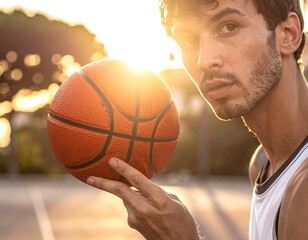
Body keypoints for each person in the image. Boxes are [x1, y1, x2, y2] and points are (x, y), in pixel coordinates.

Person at [86, 0, 308, 239]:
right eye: (190, 40)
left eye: (228, 27)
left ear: (288, 34)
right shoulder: (262, 164)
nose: (204, 60)